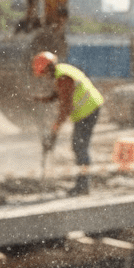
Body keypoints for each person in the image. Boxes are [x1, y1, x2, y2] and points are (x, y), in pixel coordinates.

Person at [32, 50, 103, 195]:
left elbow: (65, 107)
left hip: (88, 111)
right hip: (88, 109)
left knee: (79, 146)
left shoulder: (63, 77)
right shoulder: (61, 71)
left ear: (47, 69)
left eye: (43, 74)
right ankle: (82, 183)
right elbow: (60, 94)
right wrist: (44, 99)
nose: (44, 78)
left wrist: (55, 129)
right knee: (79, 146)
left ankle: (83, 185)